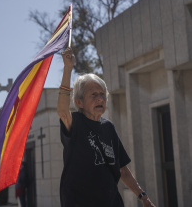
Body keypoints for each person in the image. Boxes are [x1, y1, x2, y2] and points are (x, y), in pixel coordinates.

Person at [57, 47, 156, 207]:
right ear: (79, 102)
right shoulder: (75, 122)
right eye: (94, 95)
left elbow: (122, 170)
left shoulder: (108, 127)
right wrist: (68, 69)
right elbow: (62, 111)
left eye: (102, 94)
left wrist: (143, 197)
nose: (100, 99)